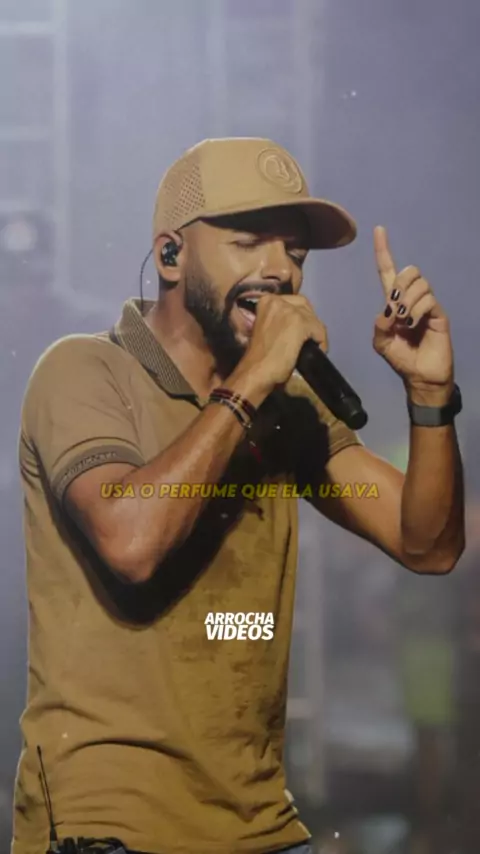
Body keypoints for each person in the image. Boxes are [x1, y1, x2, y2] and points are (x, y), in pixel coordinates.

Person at [12, 137, 465, 854]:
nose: (281, 270)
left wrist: (430, 394)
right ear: (171, 256)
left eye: (295, 252)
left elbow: (429, 545)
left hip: (261, 825)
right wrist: (253, 379)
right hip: (111, 826)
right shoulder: (83, 372)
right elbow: (132, 544)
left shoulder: (290, 410)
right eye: (249, 242)